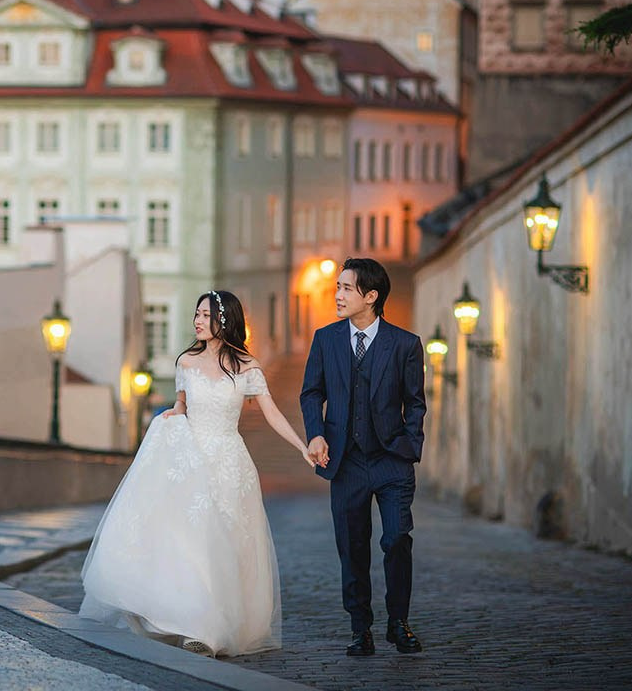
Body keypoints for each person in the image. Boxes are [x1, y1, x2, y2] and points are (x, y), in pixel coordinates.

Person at [79, 290, 313, 657]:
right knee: (192, 543)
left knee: (228, 547)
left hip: (230, 463)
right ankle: (195, 627)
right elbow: (181, 407)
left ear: (225, 320)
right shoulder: (185, 362)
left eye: (205, 315)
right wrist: (168, 421)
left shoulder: (247, 367)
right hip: (190, 460)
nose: (197, 321)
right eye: (196, 314)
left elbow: (271, 414)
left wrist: (301, 446)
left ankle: (218, 625)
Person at [300, 257, 426, 657]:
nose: (336, 295)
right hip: (346, 462)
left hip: (392, 461)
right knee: (352, 546)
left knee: (396, 540)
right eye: (337, 287)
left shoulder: (405, 344)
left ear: (371, 297)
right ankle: (360, 628)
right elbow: (311, 393)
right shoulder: (325, 339)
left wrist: (409, 444)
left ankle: (398, 622)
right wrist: (316, 434)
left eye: (346, 288)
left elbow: (415, 402)